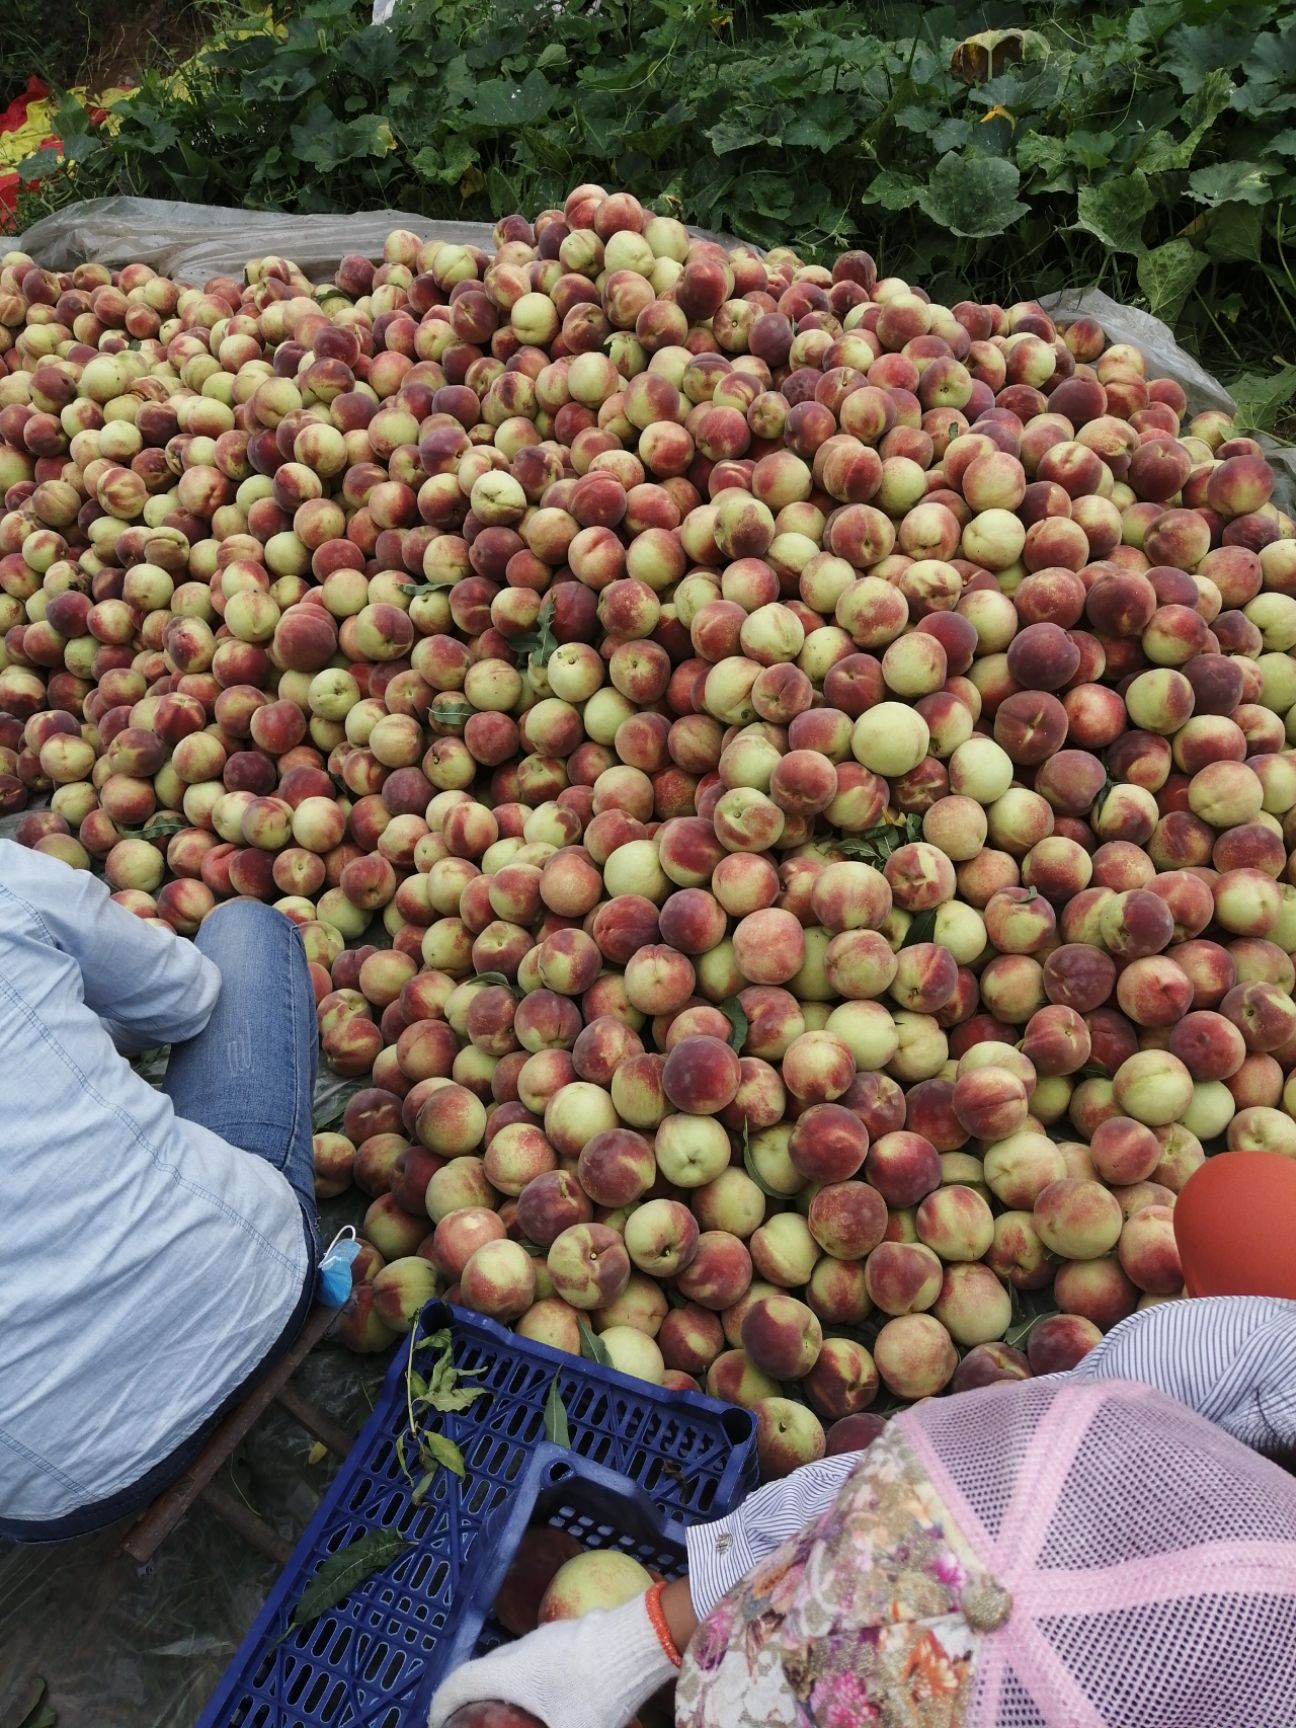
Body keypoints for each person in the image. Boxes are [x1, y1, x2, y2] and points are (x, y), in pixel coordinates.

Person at [429, 1151, 1296, 1727]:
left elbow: (850, 1508)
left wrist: (626, 1644)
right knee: (1235, 1208)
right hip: (1180, 1454)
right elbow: (863, 1501)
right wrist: (631, 1643)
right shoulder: (1178, 1375)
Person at [0, 839, 320, 1542]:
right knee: (242, 932)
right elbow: (183, 999)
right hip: (244, 1299)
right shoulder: (7, 880)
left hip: (46, 1494)